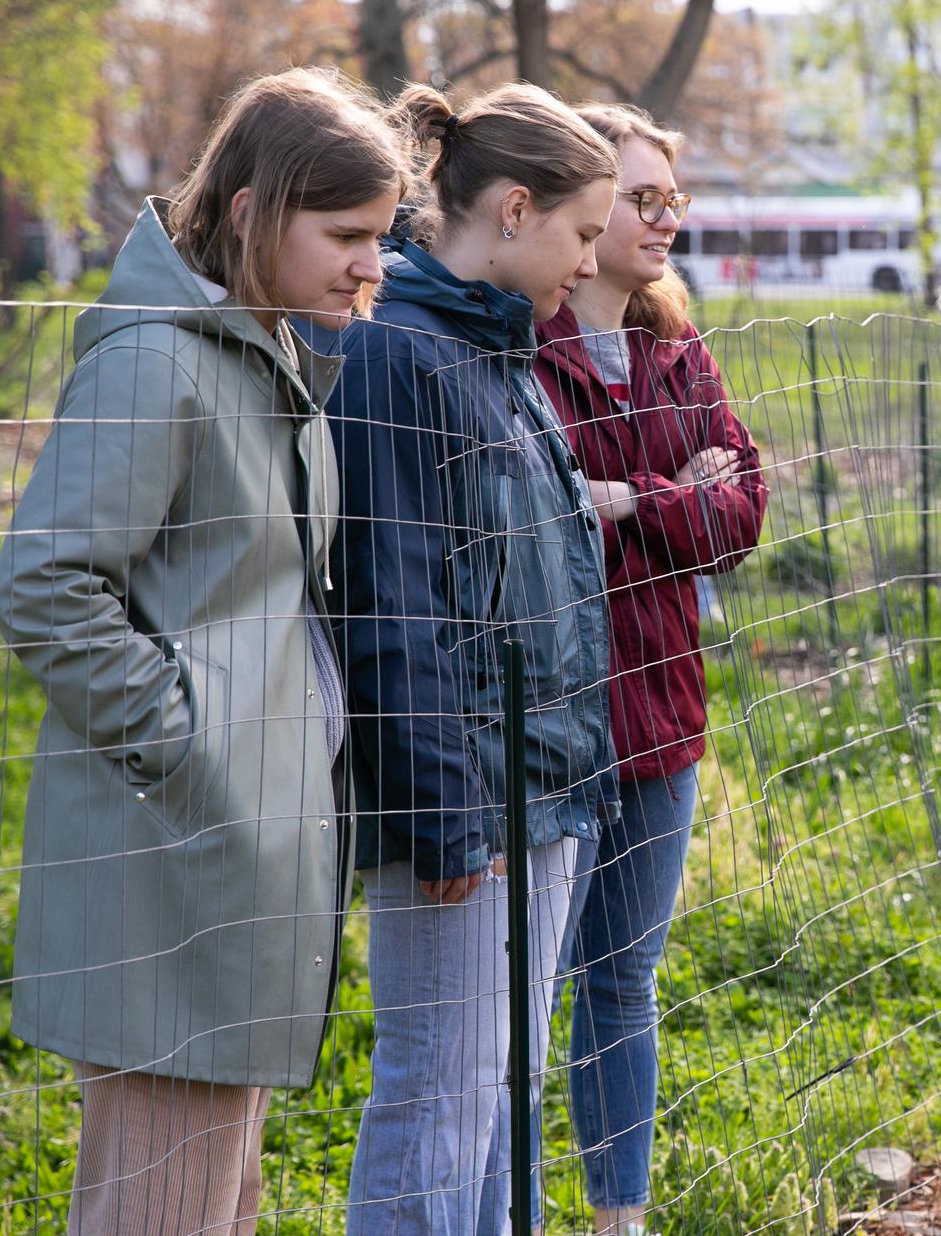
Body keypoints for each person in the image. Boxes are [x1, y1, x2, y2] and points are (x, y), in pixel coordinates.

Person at [0, 67, 407, 1235]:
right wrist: (190, 749)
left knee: (217, 1196)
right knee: (159, 1207)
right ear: (248, 213)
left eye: (380, 235)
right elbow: (45, 584)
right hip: (176, 857)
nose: (373, 264)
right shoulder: (156, 360)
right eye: (347, 234)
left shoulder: (267, 355)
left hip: (242, 859)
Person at [328, 81, 623, 1236]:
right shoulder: (398, 357)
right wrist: (450, 816)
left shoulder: (502, 349)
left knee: (500, 1094)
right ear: (513, 208)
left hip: (539, 791)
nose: (590, 261)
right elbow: (394, 608)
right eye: (583, 232)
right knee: (437, 1103)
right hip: (467, 813)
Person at [533, 103, 768, 1236]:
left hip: (659, 714)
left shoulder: (679, 347)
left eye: (673, 198)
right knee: (519, 1003)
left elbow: (743, 510)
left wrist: (629, 501)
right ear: (581, 206)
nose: (665, 218)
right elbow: (533, 523)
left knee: (622, 985)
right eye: (643, 198)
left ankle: (617, 1220)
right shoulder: (518, 351)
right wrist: (681, 491)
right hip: (542, 723)